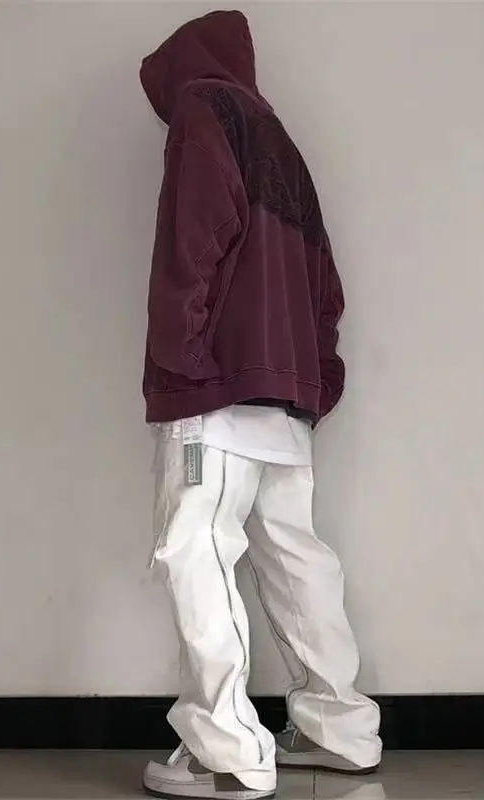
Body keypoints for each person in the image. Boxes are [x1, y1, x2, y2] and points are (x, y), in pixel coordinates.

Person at [139, 10, 382, 800]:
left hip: (216, 383)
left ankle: (226, 752)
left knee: (195, 548)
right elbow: (325, 281)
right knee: (294, 557)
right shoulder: (281, 141)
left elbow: (194, 233)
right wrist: (317, 377)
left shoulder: (204, 106)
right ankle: (339, 730)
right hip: (286, 392)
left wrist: (179, 353)